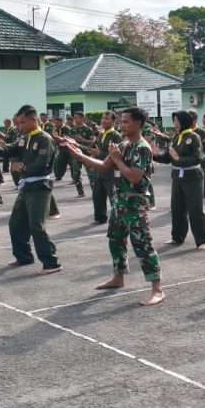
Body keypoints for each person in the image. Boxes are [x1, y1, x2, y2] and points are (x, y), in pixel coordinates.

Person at [67, 106, 164, 304]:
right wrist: (78, 154)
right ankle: (118, 277)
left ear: (138, 124)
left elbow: (134, 177)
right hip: (120, 200)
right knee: (116, 240)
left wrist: (117, 159)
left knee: (143, 244)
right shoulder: (123, 144)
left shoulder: (142, 148)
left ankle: (157, 289)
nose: (122, 125)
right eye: (121, 121)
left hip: (135, 202)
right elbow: (104, 166)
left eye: (126, 122)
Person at [0, 105, 61, 275]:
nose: (19, 126)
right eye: (18, 123)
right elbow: (7, 150)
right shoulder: (24, 138)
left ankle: (51, 262)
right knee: (16, 223)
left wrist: (22, 167)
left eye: (23, 122)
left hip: (40, 187)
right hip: (26, 186)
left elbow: (42, 163)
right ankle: (23, 256)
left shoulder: (44, 139)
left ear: (34, 120)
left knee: (36, 225)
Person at [151, 110, 205, 250]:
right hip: (177, 176)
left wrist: (179, 159)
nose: (175, 124)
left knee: (195, 209)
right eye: (174, 121)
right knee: (177, 208)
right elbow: (168, 158)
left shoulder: (194, 137)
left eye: (177, 121)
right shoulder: (176, 137)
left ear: (184, 121)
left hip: (192, 176)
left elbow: (198, 158)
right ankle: (177, 237)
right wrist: (154, 155)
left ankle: (202, 240)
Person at [90, 111, 121, 224]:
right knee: (97, 195)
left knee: (113, 196)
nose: (103, 120)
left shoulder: (115, 136)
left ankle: (118, 219)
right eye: (103, 118)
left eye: (107, 118)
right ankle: (100, 217)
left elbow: (116, 154)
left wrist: (99, 153)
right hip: (99, 169)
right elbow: (95, 149)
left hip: (111, 171)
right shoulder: (101, 134)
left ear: (113, 121)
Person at [64, 112, 92, 197]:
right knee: (76, 174)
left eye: (77, 118)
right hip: (76, 154)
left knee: (91, 174)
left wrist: (82, 140)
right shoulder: (72, 129)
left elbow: (92, 142)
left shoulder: (88, 129)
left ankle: (95, 191)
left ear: (82, 118)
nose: (75, 120)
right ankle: (80, 192)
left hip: (86, 154)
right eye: (75, 118)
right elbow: (69, 141)